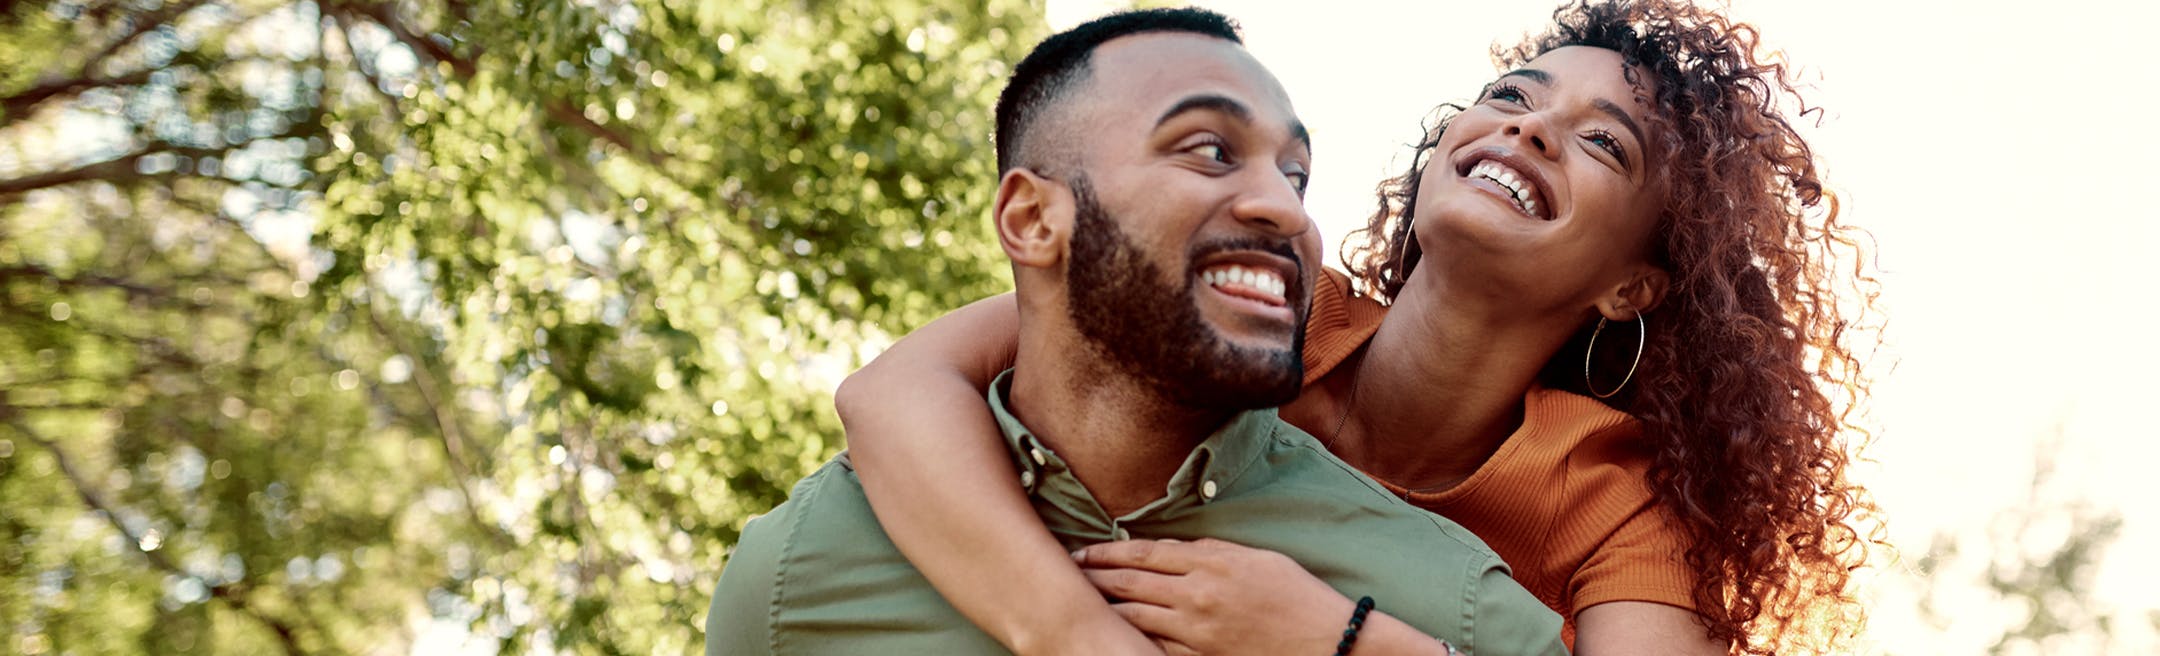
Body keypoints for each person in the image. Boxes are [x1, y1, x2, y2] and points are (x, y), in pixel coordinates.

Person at [836, 0, 1880, 654]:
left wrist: (1339, 639)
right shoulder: (1263, 304)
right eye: (1514, 94)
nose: (1527, 127)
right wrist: (1068, 632)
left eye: (1603, 144)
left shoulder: (1613, 500)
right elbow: (889, 391)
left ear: (1632, 287)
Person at [706, 8, 1568, 655]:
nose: (1284, 208)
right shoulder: (797, 579)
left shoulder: (1453, 611)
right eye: (1209, 151)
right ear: (1033, 220)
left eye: (1296, 174)